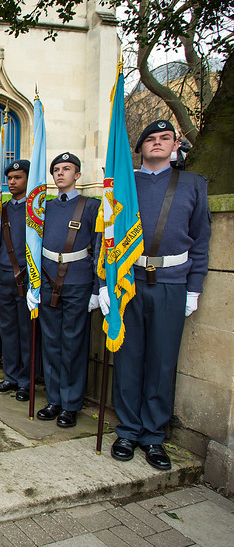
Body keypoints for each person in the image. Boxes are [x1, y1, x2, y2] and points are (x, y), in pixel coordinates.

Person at [109, 120, 210, 470]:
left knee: (163, 361)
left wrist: (193, 288)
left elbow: (200, 241)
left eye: (164, 138)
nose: (157, 143)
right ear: (139, 148)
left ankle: (153, 436)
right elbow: (106, 236)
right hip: (128, 280)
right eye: (150, 139)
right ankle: (127, 430)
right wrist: (105, 284)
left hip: (171, 282)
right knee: (128, 358)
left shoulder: (193, 185)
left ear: (175, 144)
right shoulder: (124, 185)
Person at [37, 153, 101, 427]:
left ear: (77, 174)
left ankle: (70, 403)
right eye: (56, 170)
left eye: (67, 169)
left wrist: (99, 289)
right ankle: (54, 399)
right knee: (51, 341)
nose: (60, 173)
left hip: (78, 280)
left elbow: (100, 248)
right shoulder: (45, 207)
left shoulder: (91, 206)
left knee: (73, 342)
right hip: (48, 281)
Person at [0, 160, 40, 401]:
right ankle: (10, 376)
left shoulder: (38, 210)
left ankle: (26, 380)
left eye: (17, 177)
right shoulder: (3, 209)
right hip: (4, 277)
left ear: (29, 179)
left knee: (26, 332)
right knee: (7, 330)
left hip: (28, 280)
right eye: (9, 178)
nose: (12, 182)